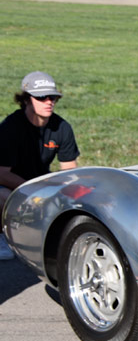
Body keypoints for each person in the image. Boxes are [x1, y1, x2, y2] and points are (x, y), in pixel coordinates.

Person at [0, 71, 80, 260]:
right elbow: (2, 173)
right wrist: (32, 190)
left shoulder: (62, 127)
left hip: (41, 183)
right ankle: (3, 235)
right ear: (26, 99)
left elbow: (70, 170)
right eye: (41, 97)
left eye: (52, 97)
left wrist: (70, 192)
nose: (49, 102)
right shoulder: (10, 127)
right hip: (11, 184)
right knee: (2, 196)